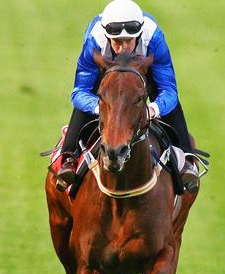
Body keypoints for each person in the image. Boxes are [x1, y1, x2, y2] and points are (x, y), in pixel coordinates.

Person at [56, 0, 198, 192]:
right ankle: (69, 159)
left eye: (129, 41)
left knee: (169, 101)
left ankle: (187, 160)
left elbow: (169, 91)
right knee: (95, 98)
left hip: (144, 75)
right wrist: (101, 107)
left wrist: (154, 108)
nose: (123, 49)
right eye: (117, 42)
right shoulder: (95, 42)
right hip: (106, 76)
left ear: (139, 35)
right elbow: (80, 92)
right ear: (107, 37)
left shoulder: (154, 39)